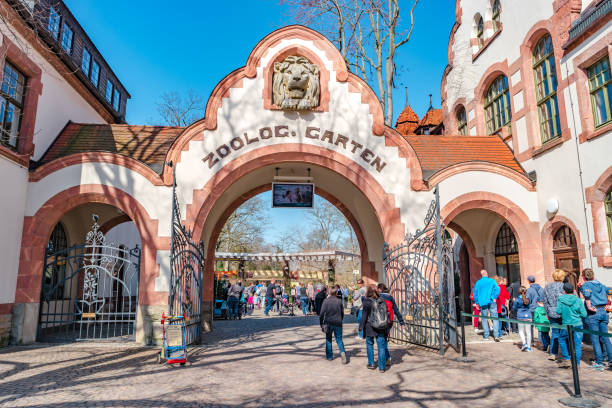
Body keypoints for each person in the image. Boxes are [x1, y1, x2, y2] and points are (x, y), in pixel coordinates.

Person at [580, 268, 612, 371]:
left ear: (584, 277)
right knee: (605, 338)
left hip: (593, 313)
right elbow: (609, 291)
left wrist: (589, 307)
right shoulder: (600, 284)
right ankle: (610, 361)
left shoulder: (586, 285)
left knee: (595, 339)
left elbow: (588, 295)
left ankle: (599, 363)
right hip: (603, 311)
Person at [556, 282, 587, 368]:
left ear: (564, 291)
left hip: (566, 324)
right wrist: (577, 315)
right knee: (577, 344)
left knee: (562, 340)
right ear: (573, 290)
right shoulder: (578, 300)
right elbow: (584, 314)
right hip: (578, 324)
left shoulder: (561, 299)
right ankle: (576, 364)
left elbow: (558, 311)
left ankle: (567, 359)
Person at [360, 286, 389, 372]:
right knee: (381, 346)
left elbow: (364, 316)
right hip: (381, 326)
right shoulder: (381, 300)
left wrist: (361, 326)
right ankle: (382, 367)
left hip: (370, 326)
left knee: (370, 344)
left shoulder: (367, 301)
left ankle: (372, 363)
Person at [377, 283, 405, 367]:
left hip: (379, 321)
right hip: (389, 322)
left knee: (381, 341)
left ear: (379, 289)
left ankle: (387, 358)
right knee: (384, 339)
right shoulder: (390, 297)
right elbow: (396, 310)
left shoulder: (377, 297)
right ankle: (387, 358)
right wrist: (401, 322)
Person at [319, 287, 347, 363]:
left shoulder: (326, 301)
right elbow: (342, 313)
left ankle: (329, 356)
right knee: (339, 339)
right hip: (338, 322)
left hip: (328, 322)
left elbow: (321, 314)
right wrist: (341, 320)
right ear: (336, 293)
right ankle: (342, 352)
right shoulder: (339, 301)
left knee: (328, 339)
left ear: (329, 293)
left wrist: (321, 323)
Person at [544, 269, 566, 361]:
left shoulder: (547, 287)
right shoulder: (565, 286)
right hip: (564, 312)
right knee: (565, 333)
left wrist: (547, 312)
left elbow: (545, 301)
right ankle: (567, 353)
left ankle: (553, 353)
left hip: (552, 312)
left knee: (555, 332)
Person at [472, 270, 501, 341]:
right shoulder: (491, 281)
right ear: (487, 274)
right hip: (491, 301)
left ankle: (486, 336)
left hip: (482, 302)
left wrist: (476, 302)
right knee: (495, 318)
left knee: (484, 319)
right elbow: (498, 289)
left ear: (481, 275)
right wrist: (494, 297)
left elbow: (475, 293)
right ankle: (496, 335)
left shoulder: (478, 282)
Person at [512, 286, 533, 351]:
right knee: (528, 332)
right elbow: (529, 305)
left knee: (521, 331)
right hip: (528, 316)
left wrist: (514, 302)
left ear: (519, 292)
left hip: (520, 316)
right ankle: (529, 347)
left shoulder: (517, 299)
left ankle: (524, 343)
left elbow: (514, 308)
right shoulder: (528, 299)